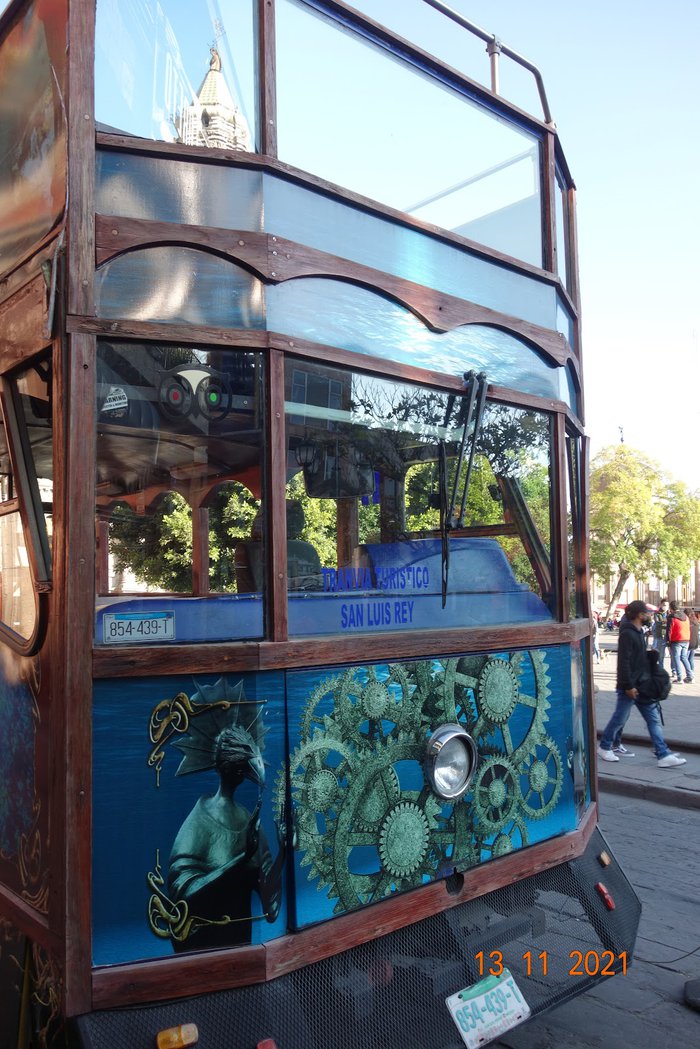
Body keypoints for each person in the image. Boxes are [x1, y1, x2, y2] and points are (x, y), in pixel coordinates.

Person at [598, 599, 686, 768]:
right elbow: (624, 662)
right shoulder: (628, 633)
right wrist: (628, 686)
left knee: (652, 720)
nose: (648, 616)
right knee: (619, 719)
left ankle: (663, 753)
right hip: (631, 687)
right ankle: (605, 746)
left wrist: (650, 656)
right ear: (640, 615)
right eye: (646, 613)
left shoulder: (638, 632)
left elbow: (636, 658)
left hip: (641, 685)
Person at [666, 600, 693, 684]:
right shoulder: (685, 616)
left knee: (676, 658)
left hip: (676, 640)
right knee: (684, 657)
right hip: (686, 639)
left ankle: (679, 678)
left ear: (671, 608)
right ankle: (690, 676)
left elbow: (669, 631)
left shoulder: (672, 617)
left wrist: (668, 643)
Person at [651, 599, 669, 668]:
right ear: (661, 605)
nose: (665, 606)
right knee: (661, 654)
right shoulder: (657, 614)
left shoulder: (670, 613)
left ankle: (674, 670)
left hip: (669, 635)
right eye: (664, 605)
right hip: (660, 635)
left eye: (667, 605)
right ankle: (661, 668)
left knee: (673, 655)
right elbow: (658, 623)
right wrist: (667, 622)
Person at [685, 608, 699, 680]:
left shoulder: (688, 622)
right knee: (691, 659)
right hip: (695, 642)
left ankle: (689, 675)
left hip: (689, 642)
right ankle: (692, 673)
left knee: (686, 659)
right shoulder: (696, 621)